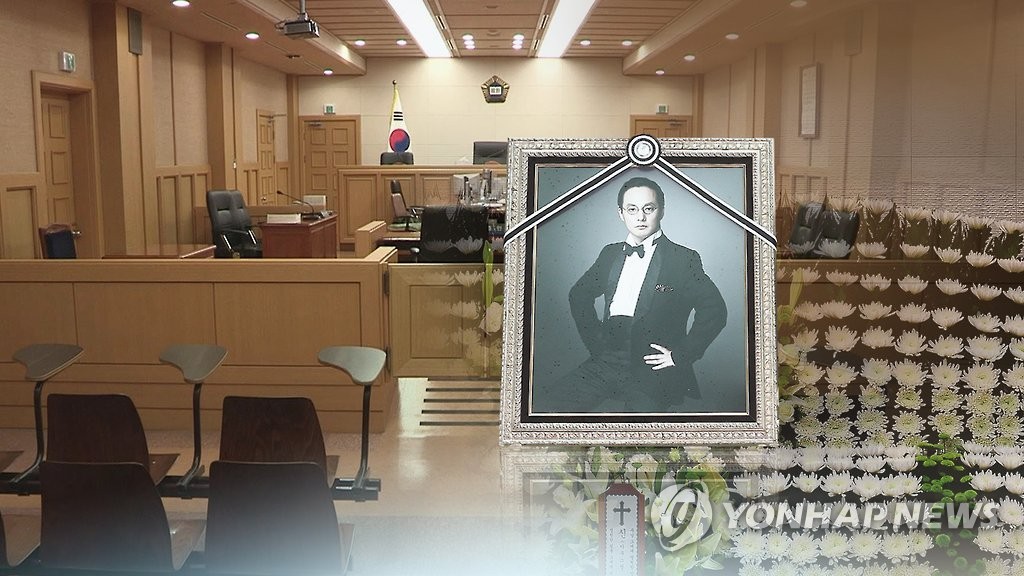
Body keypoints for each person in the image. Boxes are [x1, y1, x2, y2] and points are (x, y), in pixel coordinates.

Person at [552, 176, 727, 413]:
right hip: (606, 360)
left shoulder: (683, 259)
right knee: (552, 411)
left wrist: (680, 355)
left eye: (649, 209)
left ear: (661, 211)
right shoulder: (610, 253)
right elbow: (579, 295)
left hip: (651, 371)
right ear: (621, 213)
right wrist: (596, 343)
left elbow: (715, 310)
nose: (640, 217)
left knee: (637, 432)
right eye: (632, 209)